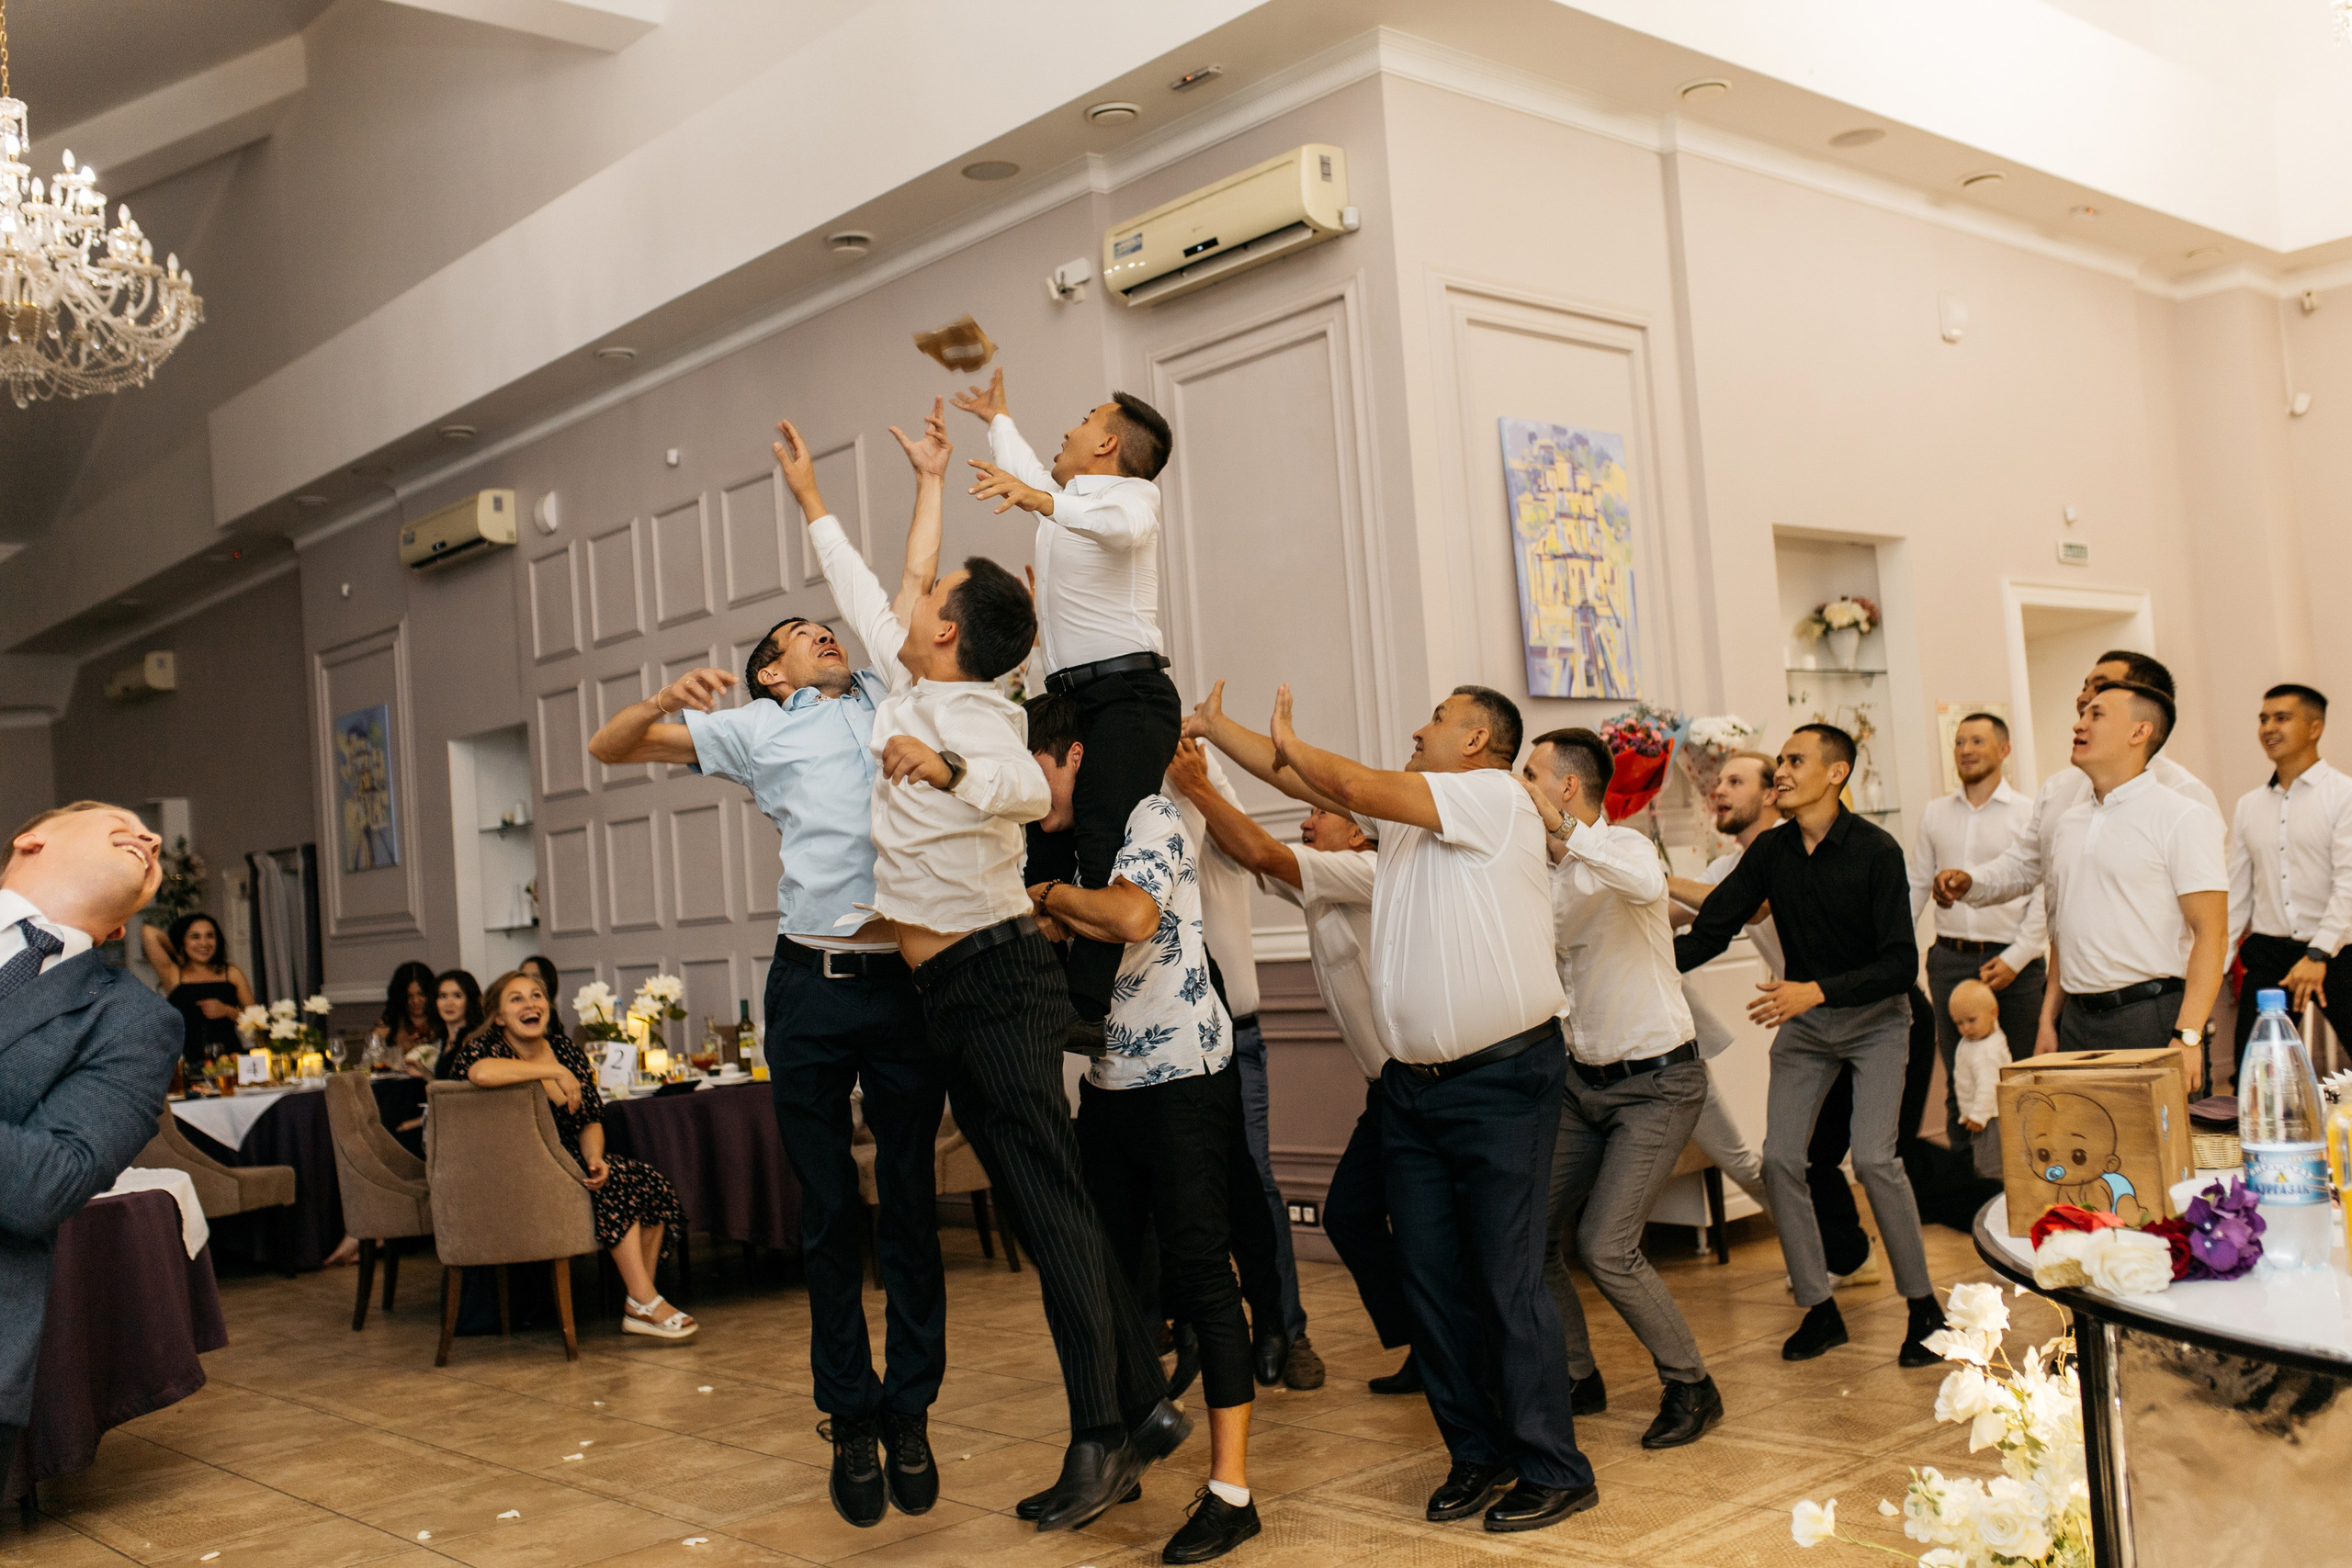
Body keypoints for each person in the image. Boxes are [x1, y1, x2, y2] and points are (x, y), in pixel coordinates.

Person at [789, 410, 1184, 1534]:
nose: (907, 605)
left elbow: (1021, 792)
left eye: (930, 602)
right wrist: (819, 499)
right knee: (1054, 1202)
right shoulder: (912, 686)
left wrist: (946, 767)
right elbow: (875, 585)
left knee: (1050, 1215)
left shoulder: (979, 715)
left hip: (996, 981)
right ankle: (1144, 1408)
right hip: (958, 989)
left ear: (950, 632)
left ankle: (1102, 1437)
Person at [588, 406, 957, 1528]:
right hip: (809, 989)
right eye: (804, 633)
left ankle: (910, 1410)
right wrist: (662, 699)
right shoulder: (754, 728)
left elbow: (909, 575)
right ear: (770, 671)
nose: (826, 635)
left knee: (910, 1206)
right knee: (828, 1214)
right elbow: (608, 748)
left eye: (826, 627)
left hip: (904, 984)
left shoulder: (888, 691)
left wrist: (925, 480)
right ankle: (848, 1416)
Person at [1247, 678, 1595, 1535]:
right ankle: (1477, 1453)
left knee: (1506, 1280)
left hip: (1502, 1080)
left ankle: (1553, 1466)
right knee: (1431, 1279)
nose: (1416, 728)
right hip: (1411, 1089)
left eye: (1436, 719)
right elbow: (1305, 778)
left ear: (1476, 740)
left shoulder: (1493, 798)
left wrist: (1294, 739)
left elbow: (1346, 780)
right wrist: (1219, 732)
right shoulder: (1410, 819)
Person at [1025, 697, 1261, 1565]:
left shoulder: (1152, 812)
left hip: (1184, 1078)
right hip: (1109, 1081)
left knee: (1202, 1275)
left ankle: (1231, 1493)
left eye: (1035, 772)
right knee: (1103, 1276)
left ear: (1074, 757)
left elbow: (1130, 917)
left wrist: (1048, 897)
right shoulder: (1059, 843)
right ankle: (1115, 1450)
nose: (1027, 794)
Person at [1676, 725, 1946, 1367]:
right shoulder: (1771, 851)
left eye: (1795, 761)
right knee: (1779, 1162)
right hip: (1807, 1029)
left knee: (1875, 1161)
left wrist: (1815, 990)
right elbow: (1714, 927)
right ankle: (1819, 1308)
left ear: (1836, 772)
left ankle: (1924, 1309)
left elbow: (1899, 965)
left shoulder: (1877, 851)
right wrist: (1647, 971)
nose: (1783, 772)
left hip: (1878, 1022)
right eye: (1781, 761)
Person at [1165, 725, 1418, 1396]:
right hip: (1387, 1089)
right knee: (1352, 1216)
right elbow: (1253, 853)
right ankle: (1428, 1343)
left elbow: (1260, 850)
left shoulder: (1372, 872)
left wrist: (1200, 773)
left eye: (1319, 814)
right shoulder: (1321, 880)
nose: (1305, 823)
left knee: (1401, 1224)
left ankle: (1440, 1350)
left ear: (1359, 833)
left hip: (1418, 1084)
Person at [953, 367, 1179, 1043]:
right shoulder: (1068, 500)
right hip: (1068, 698)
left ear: (1107, 445)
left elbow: (1118, 528)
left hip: (1130, 696)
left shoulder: (1135, 501)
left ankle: (1085, 1010)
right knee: (1038, 834)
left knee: (1100, 840)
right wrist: (997, 418)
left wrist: (1042, 500)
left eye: (1084, 421)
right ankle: (1040, 995)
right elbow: (1029, 474)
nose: (1069, 429)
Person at [1521, 728, 1721, 1450]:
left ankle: (1692, 1385)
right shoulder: (1540, 876)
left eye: (1530, 774)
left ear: (1566, 788)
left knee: (1605, 1244)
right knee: (1532, 1229)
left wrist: (1562, 829)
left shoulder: (1626, 848)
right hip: (1583, 1085)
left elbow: (1645, 887)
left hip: (1659, 1083)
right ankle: (1579, 1376)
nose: (1519, 784)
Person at [0, 802, 182, 1483]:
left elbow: (47, 1185)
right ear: (32, 839)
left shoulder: (134, 1021)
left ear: (120, 926)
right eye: (118, 820)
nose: (150, 837)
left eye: (152, 842)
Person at [1934, 651, 2219, 1060]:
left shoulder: (2184, 802)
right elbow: (2057, 913)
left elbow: (2211, 930)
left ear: (2141, 724)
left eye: (2099, 695)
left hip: (2149, 1007)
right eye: (2085, 690)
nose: (2083, 703)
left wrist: (2189, 1032)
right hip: (2075, 1009)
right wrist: (2050, 1018)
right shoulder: (2065, 805)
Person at [1160, 738, 1317, 1393]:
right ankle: (1191, 1323)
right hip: (1161, 1045)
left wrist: (1195, 772)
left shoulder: (1219, 831)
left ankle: (1288, 1329)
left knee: (1254, 1181)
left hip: (1235, 1037)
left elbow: (1248, 839)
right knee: (1173, 1189)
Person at [445, 970, 695, 1339]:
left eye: (536, 995)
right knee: (618, 1186)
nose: (530, 1004)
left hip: (566, 1163)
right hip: (509, 1173)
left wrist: (595, 1157)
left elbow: (590, 1119)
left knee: (646, 1182)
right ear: (498, 1017)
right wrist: (552, 1072)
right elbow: (481, 1073)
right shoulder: (486, 1048)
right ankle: (644, 1303)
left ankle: (641, 1300)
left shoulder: (565, 1050)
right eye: (516, 999)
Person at [1906, 713, 2046, 1146]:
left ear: (2004, 750)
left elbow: (2045, 888)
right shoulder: (1935, 813)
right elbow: (1917, 883)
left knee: (2021, 1078)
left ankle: (2026, 1180)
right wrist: (1896, 948)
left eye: (1978, 741)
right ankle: (1970, 1181)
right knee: (1961, 1080)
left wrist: (2017, 957)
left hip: (2014, 964)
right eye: (1960, 742)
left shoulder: (2028, 811)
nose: (1966, 750)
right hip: (1950, 962)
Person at [1663, 750, 1779, 1222]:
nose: (1720, 790)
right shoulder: (1728, 866)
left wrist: (1659, 878)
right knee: (1790, 1156)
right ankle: (1837, 1248)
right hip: (1800, 1013)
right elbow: (1674, 913)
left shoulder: (1790, 850)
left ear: (1771, 794)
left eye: (1735, 782)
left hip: (1843, 1004)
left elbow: (1749, 904)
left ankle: (1843, 1247)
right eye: (1720, 781)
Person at [2227, 684, 2352, 1072]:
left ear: (2315, 728)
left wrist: (2318, 954)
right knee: (2252, 1073)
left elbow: (2349, 883)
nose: (2268, 728)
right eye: (2264, 719)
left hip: (2338, 952)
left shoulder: (2344, 795)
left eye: (2281, 718)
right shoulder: (2249, 806)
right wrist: (2216, 965)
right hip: (2270, 956)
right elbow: (2237, 896)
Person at [142, 911, 254, 1068]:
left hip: (231, 1059)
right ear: (183, 940)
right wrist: (179, 953)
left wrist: (227, 1011)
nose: (204, 943)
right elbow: (148, 932)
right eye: (195, 937)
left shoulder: (231, 973)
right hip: (188, 1062)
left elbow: (256, 1020)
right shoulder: (173, 975)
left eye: (210, 936)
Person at [1946, 980, 2007, 1179]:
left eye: (1971, 1020)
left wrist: (1978, 1116)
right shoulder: (1974, 1041)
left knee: (1990, 1168)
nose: (1966, 1028)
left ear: (1994, 1013)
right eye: (1959, 1023)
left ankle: (1994, 1193)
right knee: (1982, 1161)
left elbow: (1989, 1087)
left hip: (1991, 1117)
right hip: (1982, 1115)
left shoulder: (1989, 1051)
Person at [369, 960, 439, 1077]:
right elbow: (371, 1064)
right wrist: (401, 1050)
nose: (416, 1001)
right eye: (409, 996)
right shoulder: (389, 1024)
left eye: (421, 994)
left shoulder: (443, 1021)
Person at [428, 970, 484, 1078]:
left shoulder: (476, 1040)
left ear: (469, 1000)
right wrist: (425, 1074)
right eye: (443, 996)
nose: (449, 1003)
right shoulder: (441, 1039)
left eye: (457, 996)